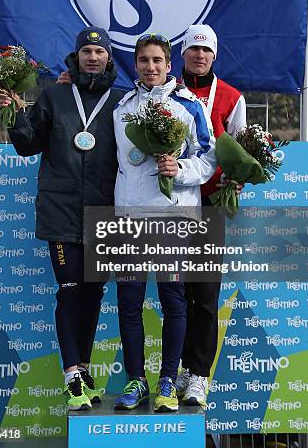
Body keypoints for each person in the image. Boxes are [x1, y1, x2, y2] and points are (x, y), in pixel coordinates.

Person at [0, 27, 124, 411]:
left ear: (107, 59)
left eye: (98, 52)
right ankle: (72, 375)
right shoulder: (54, 95)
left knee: (93, 293)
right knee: (70, 291)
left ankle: (84, 371)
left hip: (105, 212)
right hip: (62, 210)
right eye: (86, 51)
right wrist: (17, 113)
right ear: (76, 56)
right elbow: (27, 145)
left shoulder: (121, 102)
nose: (92, 57)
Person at [112, 33, 217, 413]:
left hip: (173, 219)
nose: (150, 67)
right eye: (143, 60)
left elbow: (208, 159)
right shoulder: (121, 107)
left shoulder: (189, 106)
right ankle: (136, 379)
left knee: (174, 302)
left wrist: (180, 168)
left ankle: (169, 379)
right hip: (129, 220)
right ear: (135, 64)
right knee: (129, 303)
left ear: (169, 65)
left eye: (157, 60)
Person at [175, 24, 246, 407]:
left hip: (210, 203)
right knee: (177, 292)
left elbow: (244, 147)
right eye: (193, 50)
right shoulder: (168, 92)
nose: (199, 56)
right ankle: (184, 366)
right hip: (173, 201)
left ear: (214, 56)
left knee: (204, 291)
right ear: (182, 54)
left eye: (206, 51)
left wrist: (239, 180)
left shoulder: (232, 97)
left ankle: (200, 374)